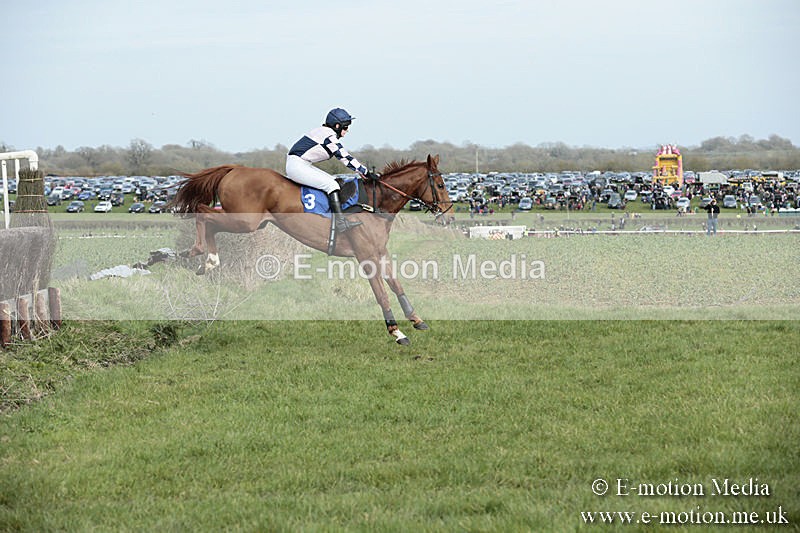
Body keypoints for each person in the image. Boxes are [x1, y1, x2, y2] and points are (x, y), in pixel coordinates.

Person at [286, 108, 378, 232]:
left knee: (335, 181)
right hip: (297, 166)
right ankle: (340, 223)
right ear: (337, 126)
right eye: (345, 128)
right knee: (332, 185)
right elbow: (344, 156)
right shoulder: (328, 136)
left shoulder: (324, 132)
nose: (347, 131)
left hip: (301, 164)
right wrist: (365, 172)